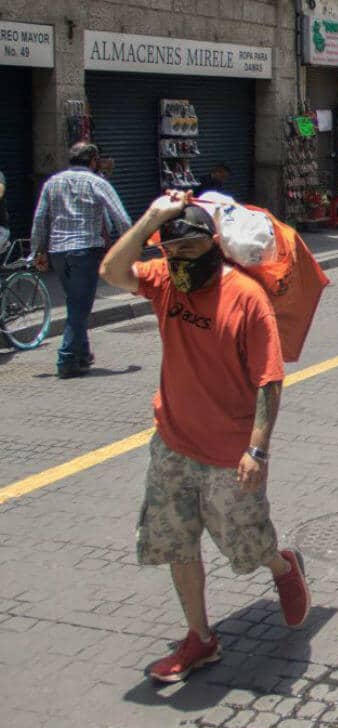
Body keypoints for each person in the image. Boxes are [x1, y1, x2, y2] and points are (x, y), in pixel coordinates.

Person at [97, 194, 310, 682]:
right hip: (172, 441)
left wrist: (257, 449)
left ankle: (282, 567)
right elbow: (111, 271)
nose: (180, 265)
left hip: (230, 453)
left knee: (247, 547)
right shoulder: (165, 282)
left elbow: (269, 380)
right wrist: (151, 219)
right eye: (172, 256)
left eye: (190, 254)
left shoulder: (247, 299)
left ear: (214, 246)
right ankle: (201, 638)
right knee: (176, 543)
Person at [30, 142, 132, 378]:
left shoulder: (52, 183)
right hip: (85, 251)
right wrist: (128, 248)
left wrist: (38, 250)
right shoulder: (97, 183)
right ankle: (66, 359)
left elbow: (39, 219)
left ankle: (82, 355)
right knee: (79, 306)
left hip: (58, 252)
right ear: (93, 161)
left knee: (75, 302)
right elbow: (122, 219)